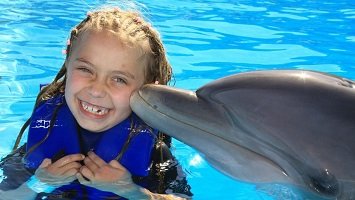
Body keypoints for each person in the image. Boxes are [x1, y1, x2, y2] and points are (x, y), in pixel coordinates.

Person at [0, 6, 192, 200]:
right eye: (86, 69)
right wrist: (40, 183)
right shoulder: (44, 136)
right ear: (68, 62)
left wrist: (130, 190)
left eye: (119, 79)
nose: (96, 90)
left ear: (146, 87)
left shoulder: (155, 155)